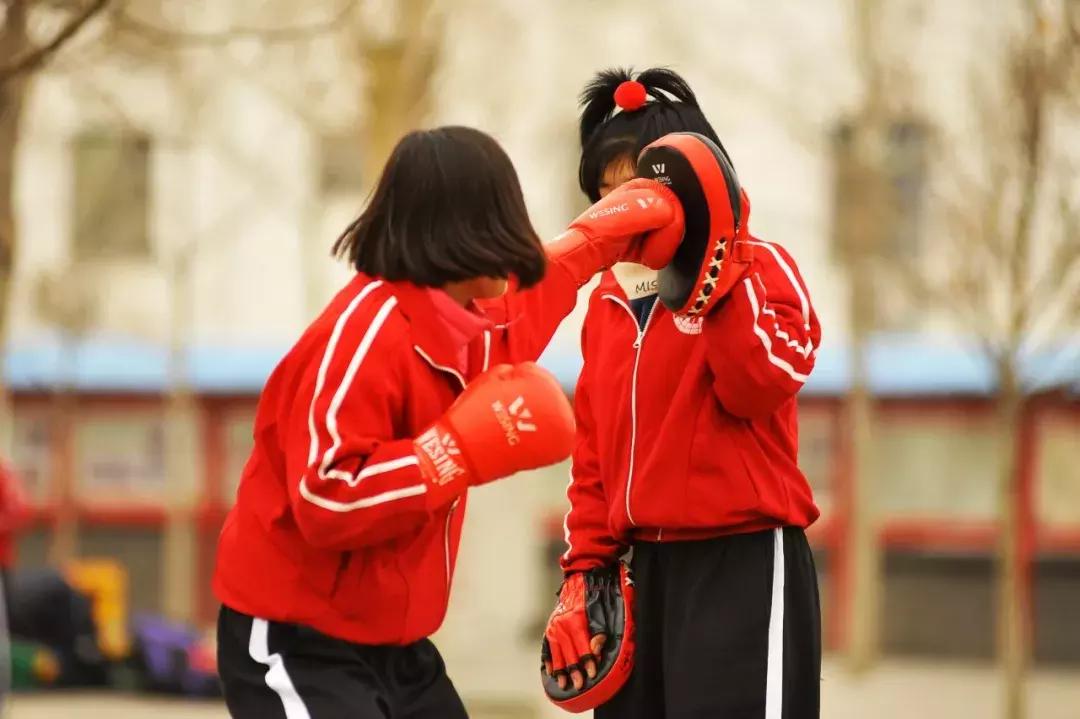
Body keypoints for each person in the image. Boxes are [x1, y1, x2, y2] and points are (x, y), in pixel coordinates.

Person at [213, 125, 682, 718]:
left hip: (396, 644)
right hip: (296, 639)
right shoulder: (364, 337)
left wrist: (607, 230)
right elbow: (324, 496)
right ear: (473, 228)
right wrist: (448, 452)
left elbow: (535, 296)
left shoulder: (468, 325)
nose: (520, 240)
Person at [542, 68, 824, 718]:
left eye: (634, 187)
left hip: (742, 562)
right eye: (603, 191)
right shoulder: (608, 302)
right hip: (640, 573)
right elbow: (594, 459)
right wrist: (584, 572)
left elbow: (762, 383)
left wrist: (712, 272)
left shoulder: (762, 264)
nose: (618, 209)